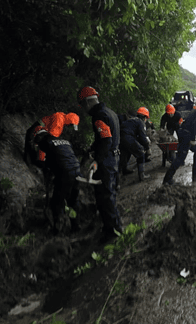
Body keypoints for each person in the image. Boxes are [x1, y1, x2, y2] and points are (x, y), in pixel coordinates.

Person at [77, 86, 123, 241]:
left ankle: (113, 232)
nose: (84, 110)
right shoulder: (110, 113)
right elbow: (107, 138)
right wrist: (92, 149)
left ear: (87, 102)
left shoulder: (99, 115)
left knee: (105, 196)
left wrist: (97, 160)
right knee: (110, 194)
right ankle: (113, 226)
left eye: (83, 105)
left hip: (107, 160)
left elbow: (106, 140)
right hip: (114, 157)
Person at [33, 129, 81, 234]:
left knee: (56, 202)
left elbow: (49, 161)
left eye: (38, 142)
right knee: (73, 200)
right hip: (77, 170)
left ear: (41, 138)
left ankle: (58, 230)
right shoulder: (64, 141)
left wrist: (46, 168)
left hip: (66, 173)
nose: (38, 146)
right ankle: (76, 226)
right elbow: (62, 157)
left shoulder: (46, 142)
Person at [162, 94, 196, 185]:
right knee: (180, 158)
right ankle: (167, 179)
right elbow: (195, 125)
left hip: (185, 133)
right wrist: (192, 139)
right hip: (186, 135)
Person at [119, 107, 151, 182]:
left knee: (125, 154)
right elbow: (142, 137)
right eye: (146, 118)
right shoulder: (140, 122)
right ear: (144, 117)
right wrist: (147, 148)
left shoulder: (131, 120)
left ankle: (123, 171)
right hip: (128, 137)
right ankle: (142, 176)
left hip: (120, 138)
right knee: (141, 153)